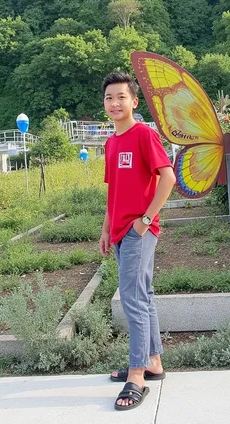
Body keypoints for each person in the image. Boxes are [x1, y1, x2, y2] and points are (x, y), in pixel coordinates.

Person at [99, 71, 176, 411]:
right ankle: (153, 362)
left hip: (138, 231)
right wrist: (106, 229)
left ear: (133, 101)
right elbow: (113, 191)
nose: (114, 103)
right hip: (118, 231)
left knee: (131, 298)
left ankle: (136, 375)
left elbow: (168, 178)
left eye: (121, 97)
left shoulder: (144, 134)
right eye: (109, 98)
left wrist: (145, 221)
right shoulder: (111, 143)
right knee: (143, 295)